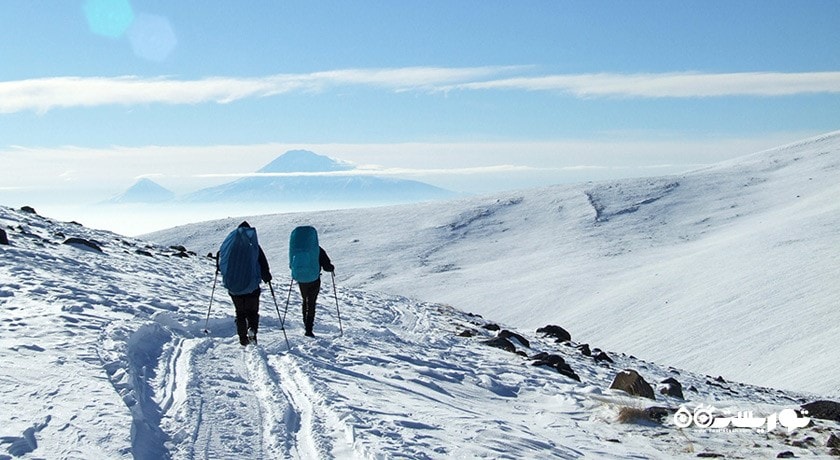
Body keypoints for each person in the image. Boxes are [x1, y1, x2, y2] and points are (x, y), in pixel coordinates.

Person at [218, 221, 272, 346]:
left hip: (234, 287)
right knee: (252, 312)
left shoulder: (230, 246)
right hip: (251, 286)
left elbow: (221, 260)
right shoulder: (253, 246)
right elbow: (262, 263)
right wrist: (267, 277)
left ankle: (243, 338)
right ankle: (252, 330)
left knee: (240, 313)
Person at [298, 246, 334, 337]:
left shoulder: (299, 247)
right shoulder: (317, 248)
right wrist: (331, 268)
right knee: (311, 302)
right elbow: (326, 266)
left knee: (304, 299)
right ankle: (309, 328)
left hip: (301, 279)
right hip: (314, 278)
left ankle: (305, 323)